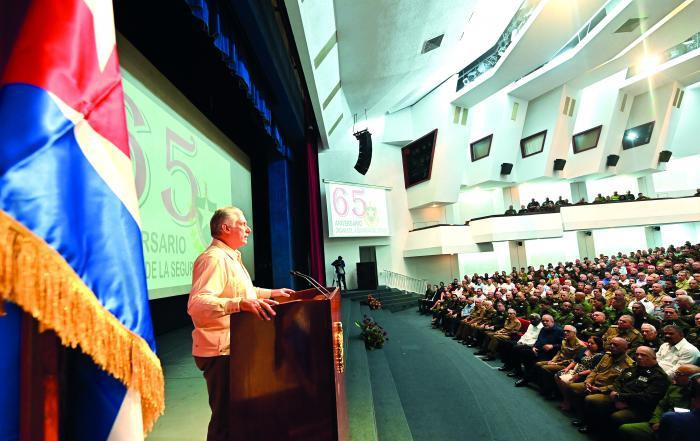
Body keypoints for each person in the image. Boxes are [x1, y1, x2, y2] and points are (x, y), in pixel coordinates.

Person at [188, 207, 294, 441]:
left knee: (238, 418)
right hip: (221, 352)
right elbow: (197, 304)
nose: (248, 229)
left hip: (235, 349)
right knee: (224, 422)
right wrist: (239, 304)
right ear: (225, 228)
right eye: (242, 224)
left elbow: (246, 292)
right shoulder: (213, 259)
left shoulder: (231, 257)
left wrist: (272, 293)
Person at [618, 364, 700, 441]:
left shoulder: (697, 396)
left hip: (680, 428)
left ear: (690, 378)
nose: (675, 375)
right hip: (660, 422)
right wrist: (655, 421)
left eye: (679, 374)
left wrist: (663, 424)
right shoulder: (673, 388)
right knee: (625, 428)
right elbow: (661, 405)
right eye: (676, 372)